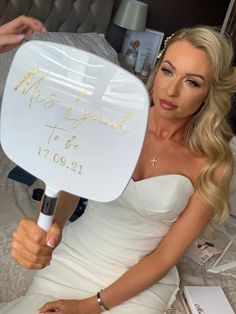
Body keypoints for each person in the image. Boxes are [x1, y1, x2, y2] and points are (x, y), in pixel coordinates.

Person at [0, 25, 236, 314]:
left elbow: (164, 256)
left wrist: (93, 305)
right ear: (157, 68)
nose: (171, 90)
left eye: (192, 82)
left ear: (209, 93)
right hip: (76, 256)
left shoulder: (214, 162)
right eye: (168, 71)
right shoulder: (109, 119)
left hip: (141, 281)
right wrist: (54, 226)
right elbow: (71, 190)